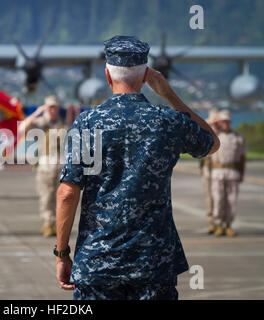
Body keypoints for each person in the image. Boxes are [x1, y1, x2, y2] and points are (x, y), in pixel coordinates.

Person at [55, 35, 220, 300]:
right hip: (153, 262)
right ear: (146, 78)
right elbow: (211, 143)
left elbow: (67, 193)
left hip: (99, 261)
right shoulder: (169, 121)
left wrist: (62, 253)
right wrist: (168, 93)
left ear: (108, 76)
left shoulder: (87, 122)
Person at [18, 95, 68, 237]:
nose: (53, 110)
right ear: (46, 108)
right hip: (45, 165)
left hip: (61, 165)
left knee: (62, 198)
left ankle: (58, 225)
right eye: (50, 107)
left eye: (55, 107)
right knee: (46, 196)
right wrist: (36, 113)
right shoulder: (40, 123)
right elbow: (22, 128)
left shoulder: (64, 123)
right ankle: (48, 223)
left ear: (58, 108)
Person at [210, 110, 246, 237]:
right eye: (222, 121)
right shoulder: (214, 135)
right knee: (219, 200)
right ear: (219, 122)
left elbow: (242, 158)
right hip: (217, 172)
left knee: (231, 201)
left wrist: (242, 173)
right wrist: (213, 122)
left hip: (232, 172)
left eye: (227, 121)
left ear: (230, 122)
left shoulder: (238, 137)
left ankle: (228, 225)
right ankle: (218, 225)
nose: (225, 123)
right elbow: (202, 127)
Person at [200, 108, 220, 234]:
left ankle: (220, 222)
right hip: (208, 170)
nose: (214, 125)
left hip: (219, 170)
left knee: (220, 198)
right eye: (212, 123)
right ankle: (212, 221)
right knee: (210, 197)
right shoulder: (206, 135)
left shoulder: (221, 136)